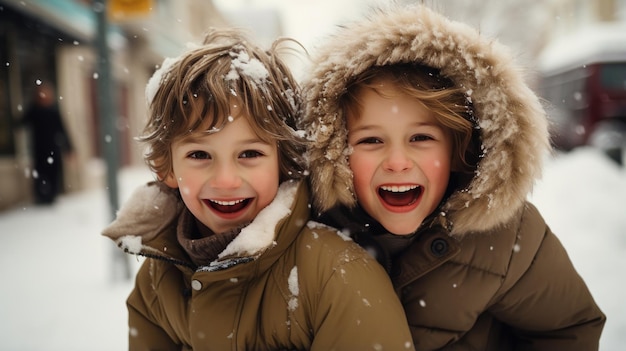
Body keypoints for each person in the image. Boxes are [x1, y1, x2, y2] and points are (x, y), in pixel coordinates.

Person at [301, 4, 606, 351]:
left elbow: (570, 329)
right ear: (335, 152)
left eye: (421, 138)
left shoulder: (506, 239)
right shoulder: (311, 234)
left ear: (458, 152)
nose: (398, 162)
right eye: (371, 140)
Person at [102, 28, 415, 350]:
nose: (226, 180)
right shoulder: (156, 282)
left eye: (249, 154)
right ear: (167, 167)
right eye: (199, 155)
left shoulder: (338, 274)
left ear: (284, 161)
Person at [20, 82, 74, 204]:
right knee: (40, 174)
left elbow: (62, 129)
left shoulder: (53, 111)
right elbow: (22, 122)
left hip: (53, 149)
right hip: (39, 149)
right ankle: (41, 197)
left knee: (53, 173)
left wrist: (69, 148)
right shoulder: (34, 111)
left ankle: (51, 196)